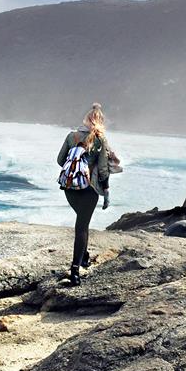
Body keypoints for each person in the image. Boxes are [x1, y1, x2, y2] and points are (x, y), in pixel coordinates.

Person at [57, 103, 111, 286]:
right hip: (90, 189)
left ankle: (84, 256)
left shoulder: (71, 136)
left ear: (86, 119)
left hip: (70, 188)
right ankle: (75, 270)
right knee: (82, 227)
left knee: (81, 221)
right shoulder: (100, 140)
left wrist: (74, 165)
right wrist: (106, 190)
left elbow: (59, 160)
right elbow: (103, 169)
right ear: (99, 121)